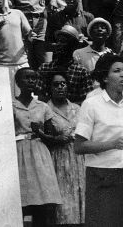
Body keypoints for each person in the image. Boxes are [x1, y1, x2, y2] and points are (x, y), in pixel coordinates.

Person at [74, 53, 123, 226]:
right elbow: (79, 146)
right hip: (102, 174)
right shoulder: (91, 104)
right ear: (104, 77)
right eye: (117, 71)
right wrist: (112, 144)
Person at [12, 67, 62, 226]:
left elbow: (54, 135)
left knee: (43, 201)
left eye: (34, 78)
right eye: (27, 78)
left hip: (39, 153)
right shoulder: (10, 105)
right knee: (22, 200)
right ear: (18, 82)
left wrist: (40, 132)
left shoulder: (42, 106)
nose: (31, 81)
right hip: (18, 152)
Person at [44, 72, 86, 226]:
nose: (60, 87)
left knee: (81, 199)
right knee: (63, 204)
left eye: (63, 83)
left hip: (78, 158)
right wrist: (57, 139)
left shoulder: (77, 108)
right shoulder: (45, 109)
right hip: (58, 158)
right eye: (56, 84)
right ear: (50, 87)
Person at [37, 25, 94, 104]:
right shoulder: (45, 68)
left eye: (63, 41)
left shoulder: (81, 72)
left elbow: (87, 100)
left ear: (74, 46)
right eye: (58, 41)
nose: (59, 44)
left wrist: (67, 107)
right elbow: (40, 96)